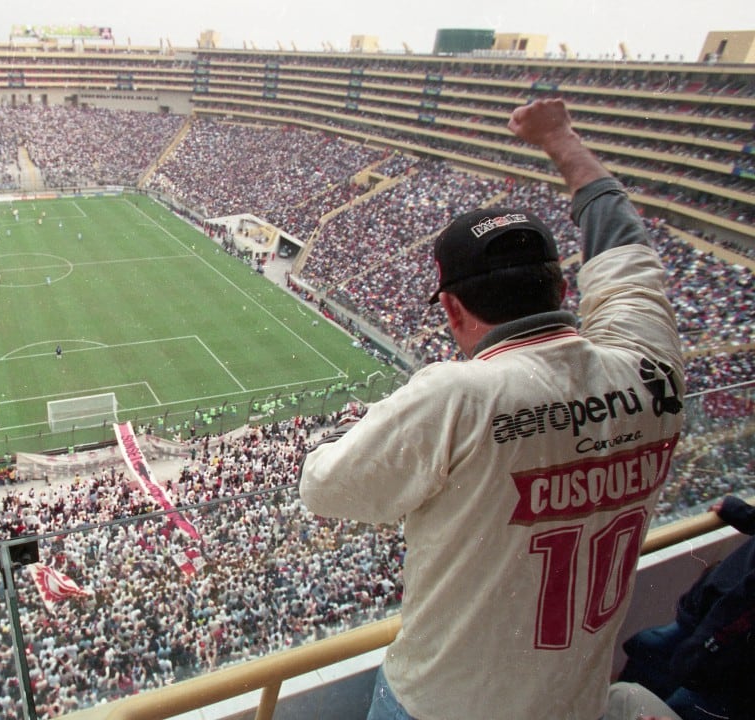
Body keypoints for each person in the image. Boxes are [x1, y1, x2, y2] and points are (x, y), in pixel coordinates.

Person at [299, 98, 685, 719]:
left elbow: (324, 487)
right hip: (571, 702)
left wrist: (366, 425)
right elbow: (625, 247)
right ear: (563, 287)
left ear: (452, 310)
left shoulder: (455, 395)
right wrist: (563, 138)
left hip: (442, 704)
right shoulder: (651, 369)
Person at [616, 495, 755, 720]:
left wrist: (698, 655)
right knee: (646, 650)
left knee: (669, 698)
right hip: (707, 619)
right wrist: (740, 512)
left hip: (723, 666)